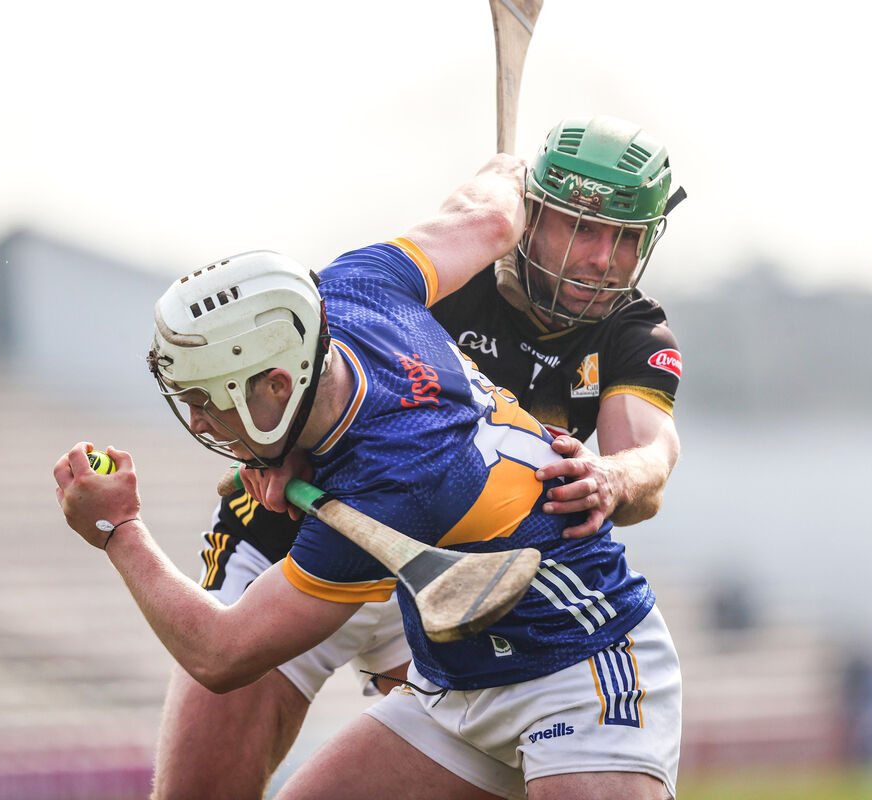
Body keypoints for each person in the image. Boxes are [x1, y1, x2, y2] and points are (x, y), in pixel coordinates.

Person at [151, 115, 688, 799]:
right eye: (583, 227)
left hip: (439, 580)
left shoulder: (632, 331)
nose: (602, 258)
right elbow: (301, 352)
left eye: (626, 238)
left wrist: (614, 476)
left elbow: (650, 455)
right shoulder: (448, 274)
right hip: (294, 548)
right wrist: (286, 446)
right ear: (534, 214)